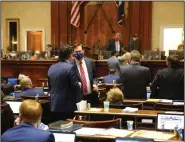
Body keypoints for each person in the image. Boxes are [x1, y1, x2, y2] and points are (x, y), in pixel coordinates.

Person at [48, 44, 81, 122]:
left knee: (56, 129)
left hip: (53, 105)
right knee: (67, 130)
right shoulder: (70, 67)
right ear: (70, 55)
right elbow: (74, 87)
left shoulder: (51, 67)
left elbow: (50, 86)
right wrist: (79, 85)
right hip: (67, 107)